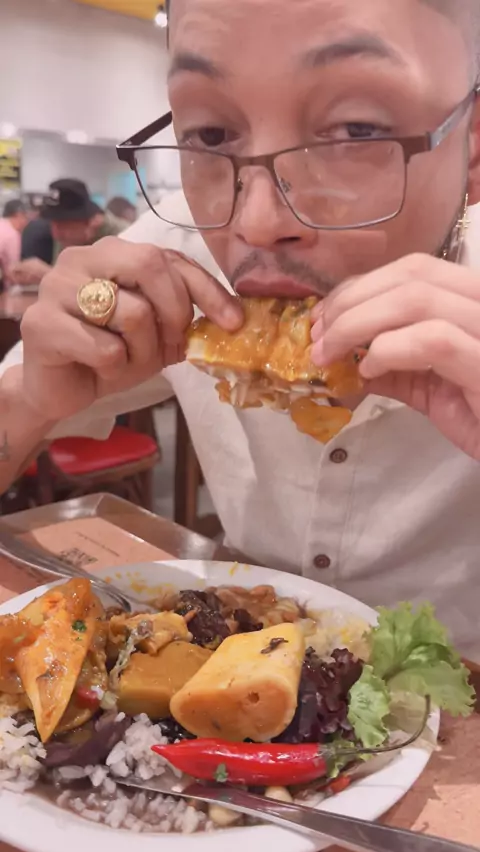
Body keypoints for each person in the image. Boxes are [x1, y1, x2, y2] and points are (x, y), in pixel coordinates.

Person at [2, 0, 480, 655]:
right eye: (210, 135)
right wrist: (30, 399)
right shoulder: (174, 252)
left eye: (356, 129)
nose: (255, 224)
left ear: (471, 147)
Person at [0, 200, 29, 288]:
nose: (26, 223)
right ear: (19, 215)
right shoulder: (12, 234)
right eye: (25, 217)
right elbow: (12, 269)